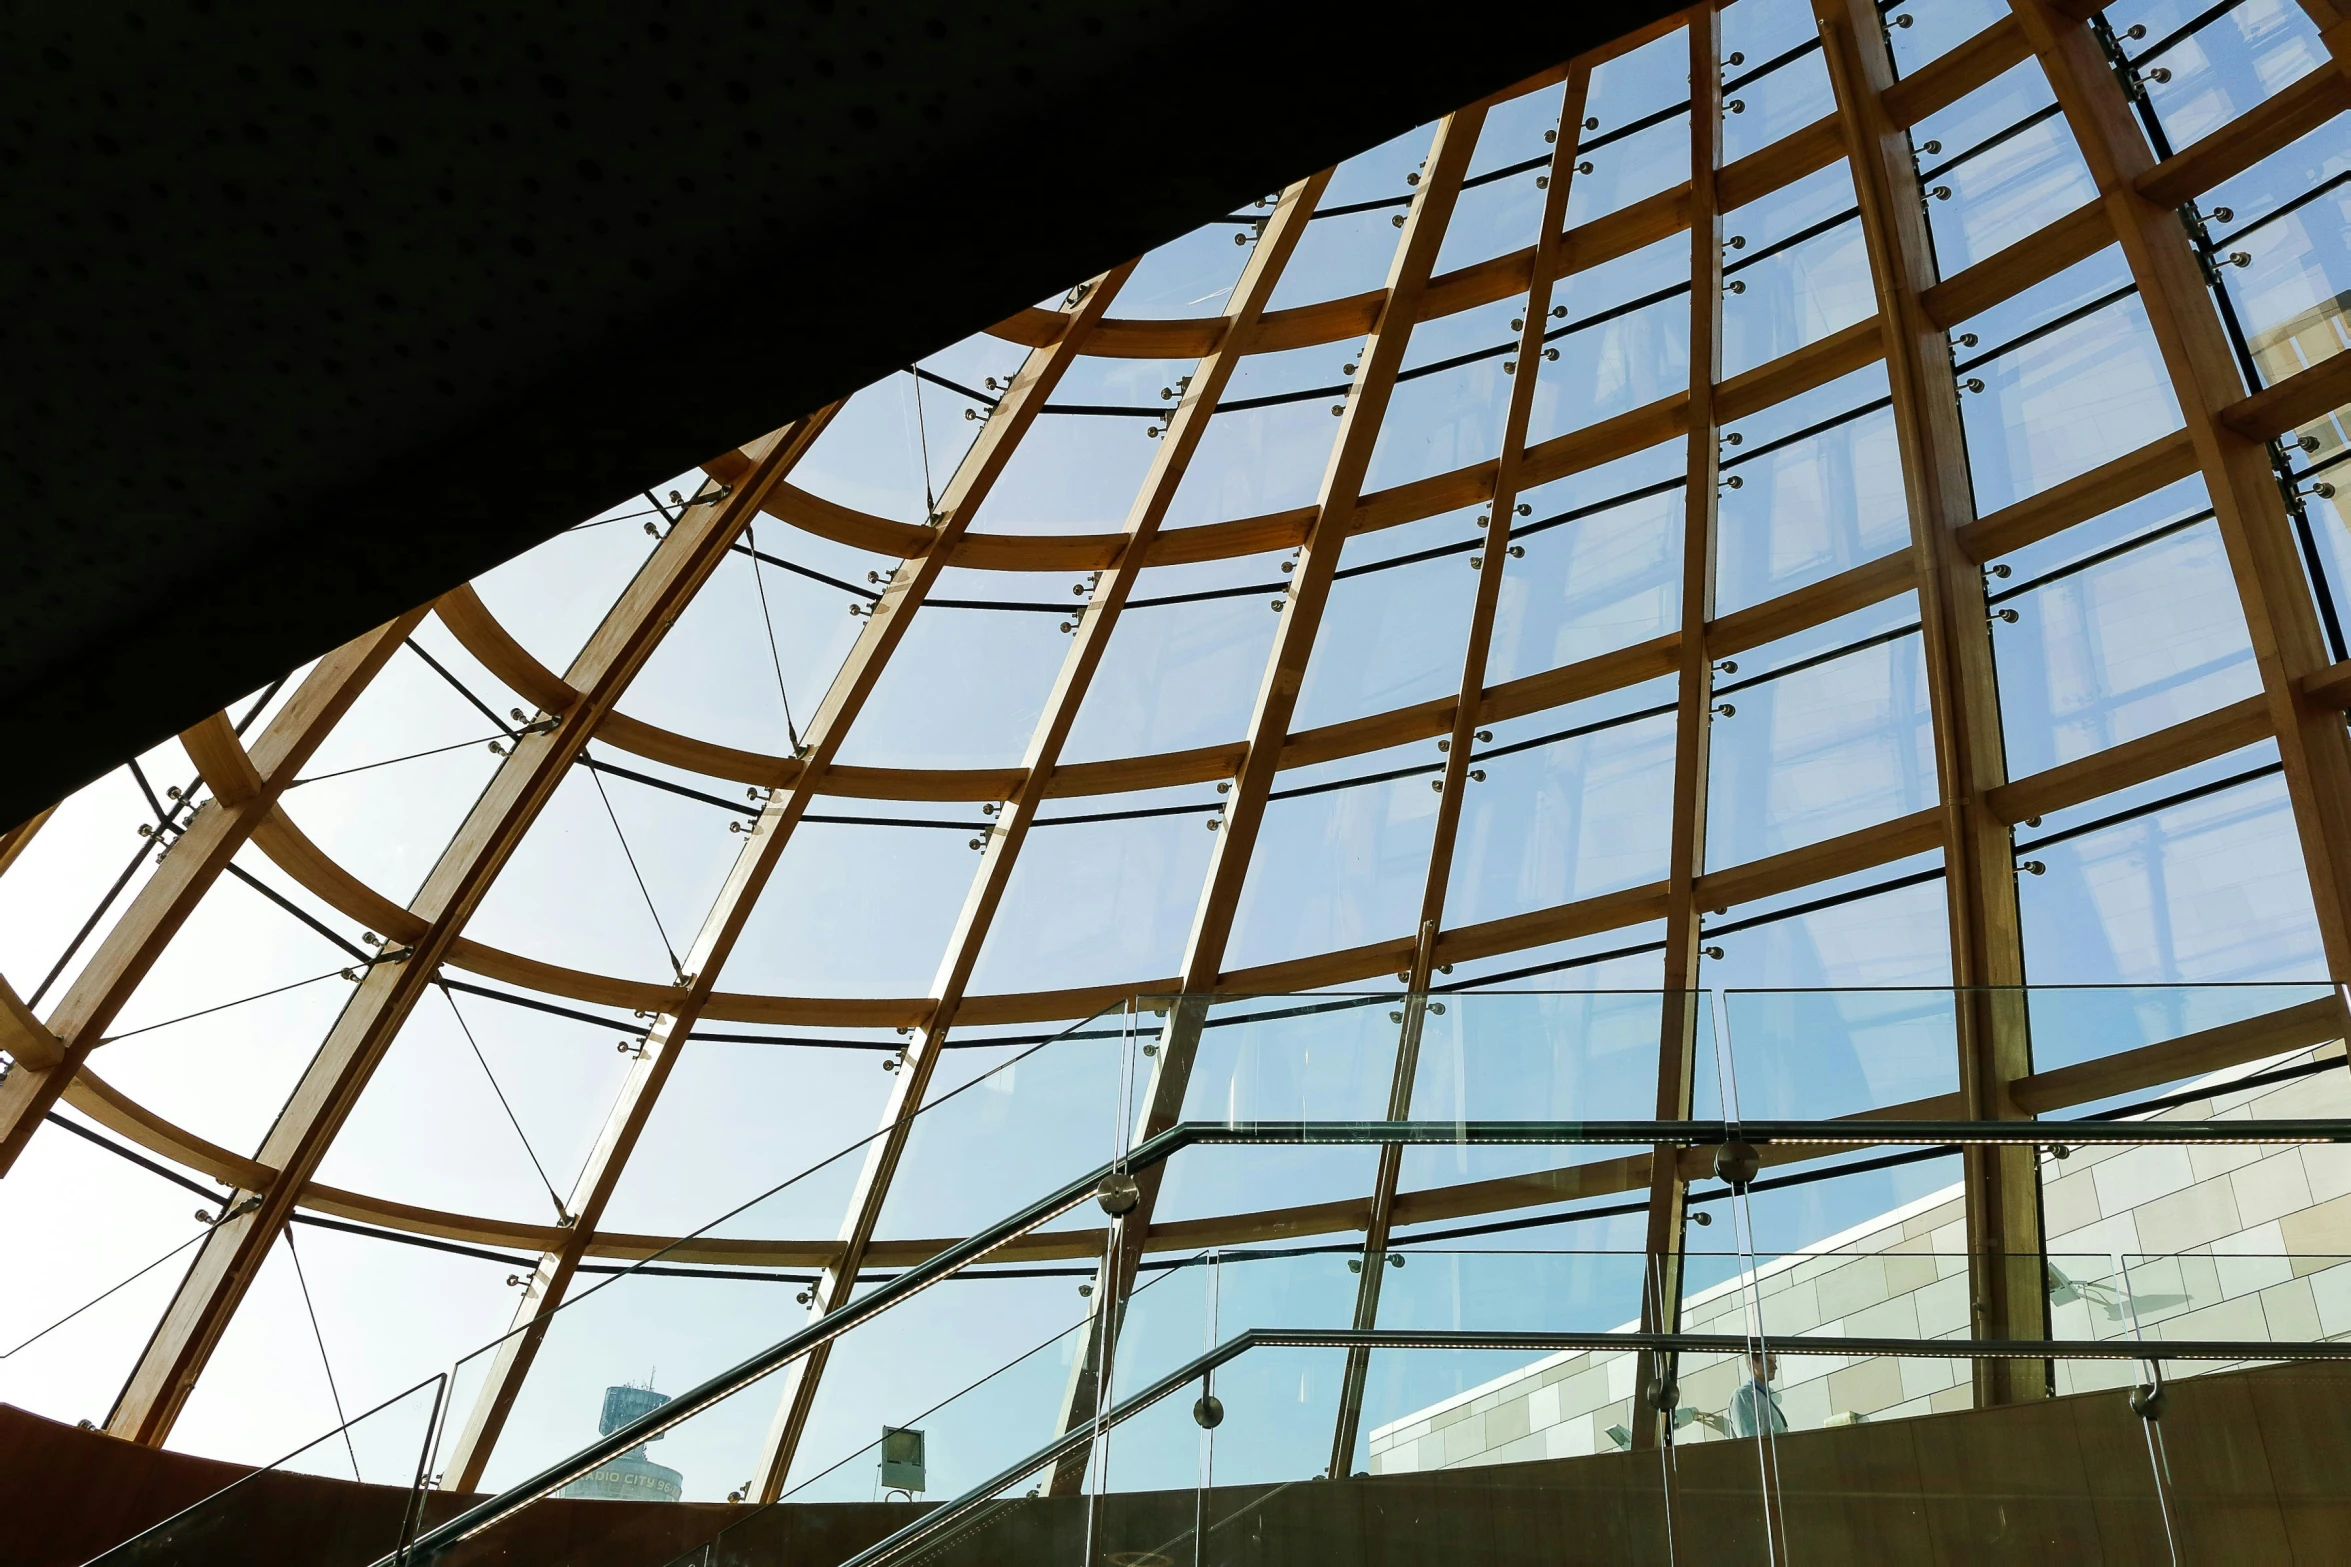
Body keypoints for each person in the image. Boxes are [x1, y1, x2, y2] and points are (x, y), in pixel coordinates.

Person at [1727, 1348, 1785, 1438]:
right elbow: (1750, 1442)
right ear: (1752, 1363)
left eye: (1775, 1362)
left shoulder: (1765, 1396)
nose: (1775, 1367)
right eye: (1768, 1362)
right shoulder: (1743, 1395)